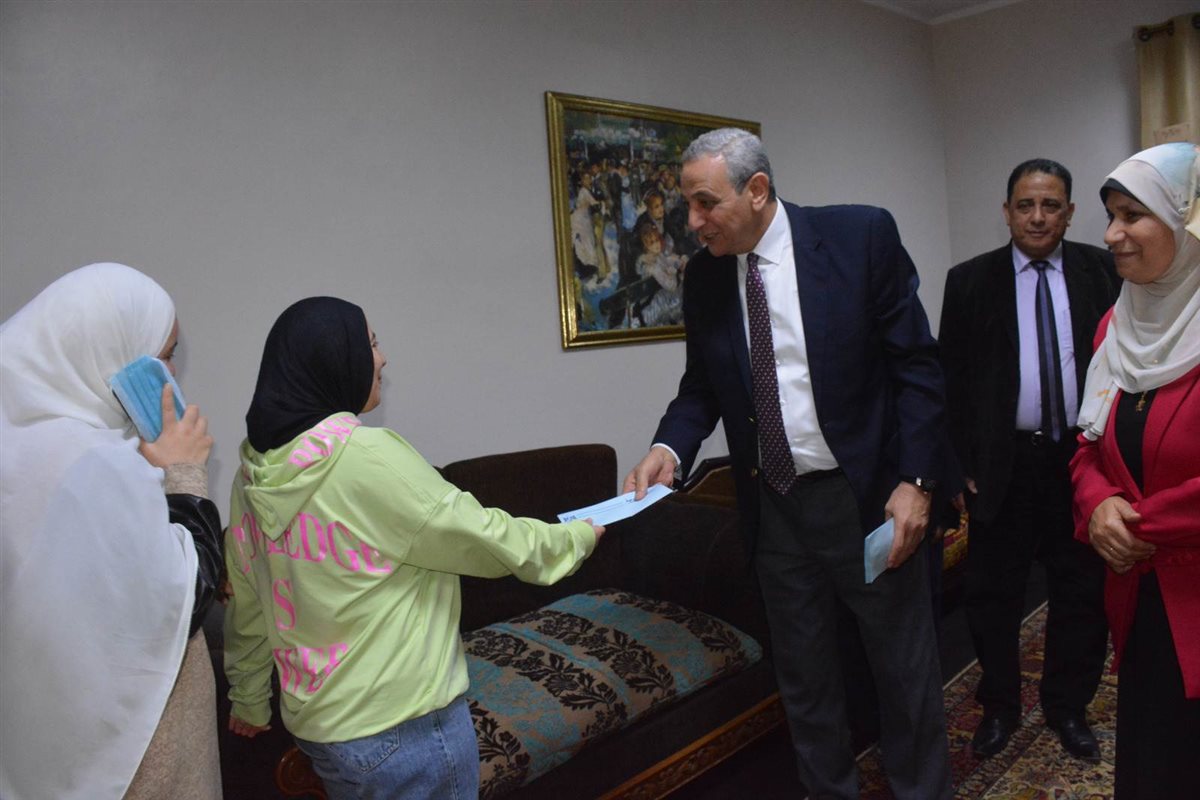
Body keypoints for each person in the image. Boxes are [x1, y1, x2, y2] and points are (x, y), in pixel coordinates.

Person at [624, 128, 953, 799]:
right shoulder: (707, 277)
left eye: (706, 203)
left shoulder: (859, 238)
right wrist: (669, 447)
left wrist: (916, 481)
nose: (693, 222)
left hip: (866, 499)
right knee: (804, 679)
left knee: (902, 670)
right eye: (686, 205)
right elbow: (702, 386)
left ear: (757, 190)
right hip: (774, 510)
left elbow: (918, 368)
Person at [223, 297, 603, 800]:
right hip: (404, 730)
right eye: (371, 343)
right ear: (335, 360)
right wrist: (577, 536)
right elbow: (481, 538)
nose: (382, 358)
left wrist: (249, 696)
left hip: (322, 731)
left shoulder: (252, 475)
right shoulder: (365, 457)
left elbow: (249, 599)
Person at [0, 263, 223, 800]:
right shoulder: (94, 464)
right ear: (111, 351)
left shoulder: (19, 443)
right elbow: (182, 598)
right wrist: (185, 474)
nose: (170, 372)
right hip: (137, 753)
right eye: (164, 354)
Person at [939, 159, 1118, 760]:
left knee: (1081, 589)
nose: (1038, 217)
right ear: (1007, 211)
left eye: (1051, 206)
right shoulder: (969, 281)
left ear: (1070, 213)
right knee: (993, 594)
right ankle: (999, 706)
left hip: (1081, 459)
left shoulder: (1104, 271)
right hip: (1002, 464)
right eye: (1025, 205)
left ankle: (1067, 707)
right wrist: (957, 462)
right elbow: (950, 380)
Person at [1071, 142, 1200, 799]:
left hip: (1191, 586)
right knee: (1153, 757)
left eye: (1132, 215)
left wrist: (1136, 525)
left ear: (1184, 222)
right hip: (1140, 592)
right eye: (1110, 216)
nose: (1110, 235)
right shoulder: (1114, 326)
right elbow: (1088, 445)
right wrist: (1097, 504)